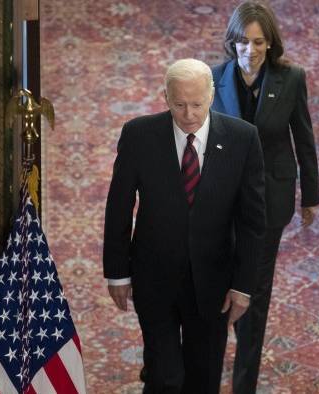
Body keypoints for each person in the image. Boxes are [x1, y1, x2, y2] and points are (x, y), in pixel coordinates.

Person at [103, 58, 266, 394]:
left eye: (197, 104)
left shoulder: (243, 139)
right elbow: (119, 207)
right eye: (179, 105)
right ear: (165, 98)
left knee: (203, 378)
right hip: (154, 277)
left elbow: (252, 222)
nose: (189, 115)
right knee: (165, 377)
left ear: (211, 96)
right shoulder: (139, 135)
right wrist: (117, 272)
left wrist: (244, 286)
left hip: (213, 284)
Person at [211, 2, 319, 393]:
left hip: (270, 201)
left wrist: (311, 195)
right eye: (243, 41)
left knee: (256, 291)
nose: (250, 50)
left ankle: (245, 383)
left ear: (270, 43)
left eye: (258, 42)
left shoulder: (291, 79)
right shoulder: (213, 78)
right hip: (223, 201)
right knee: (220, 281)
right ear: (232, 42)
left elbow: (303, 139)